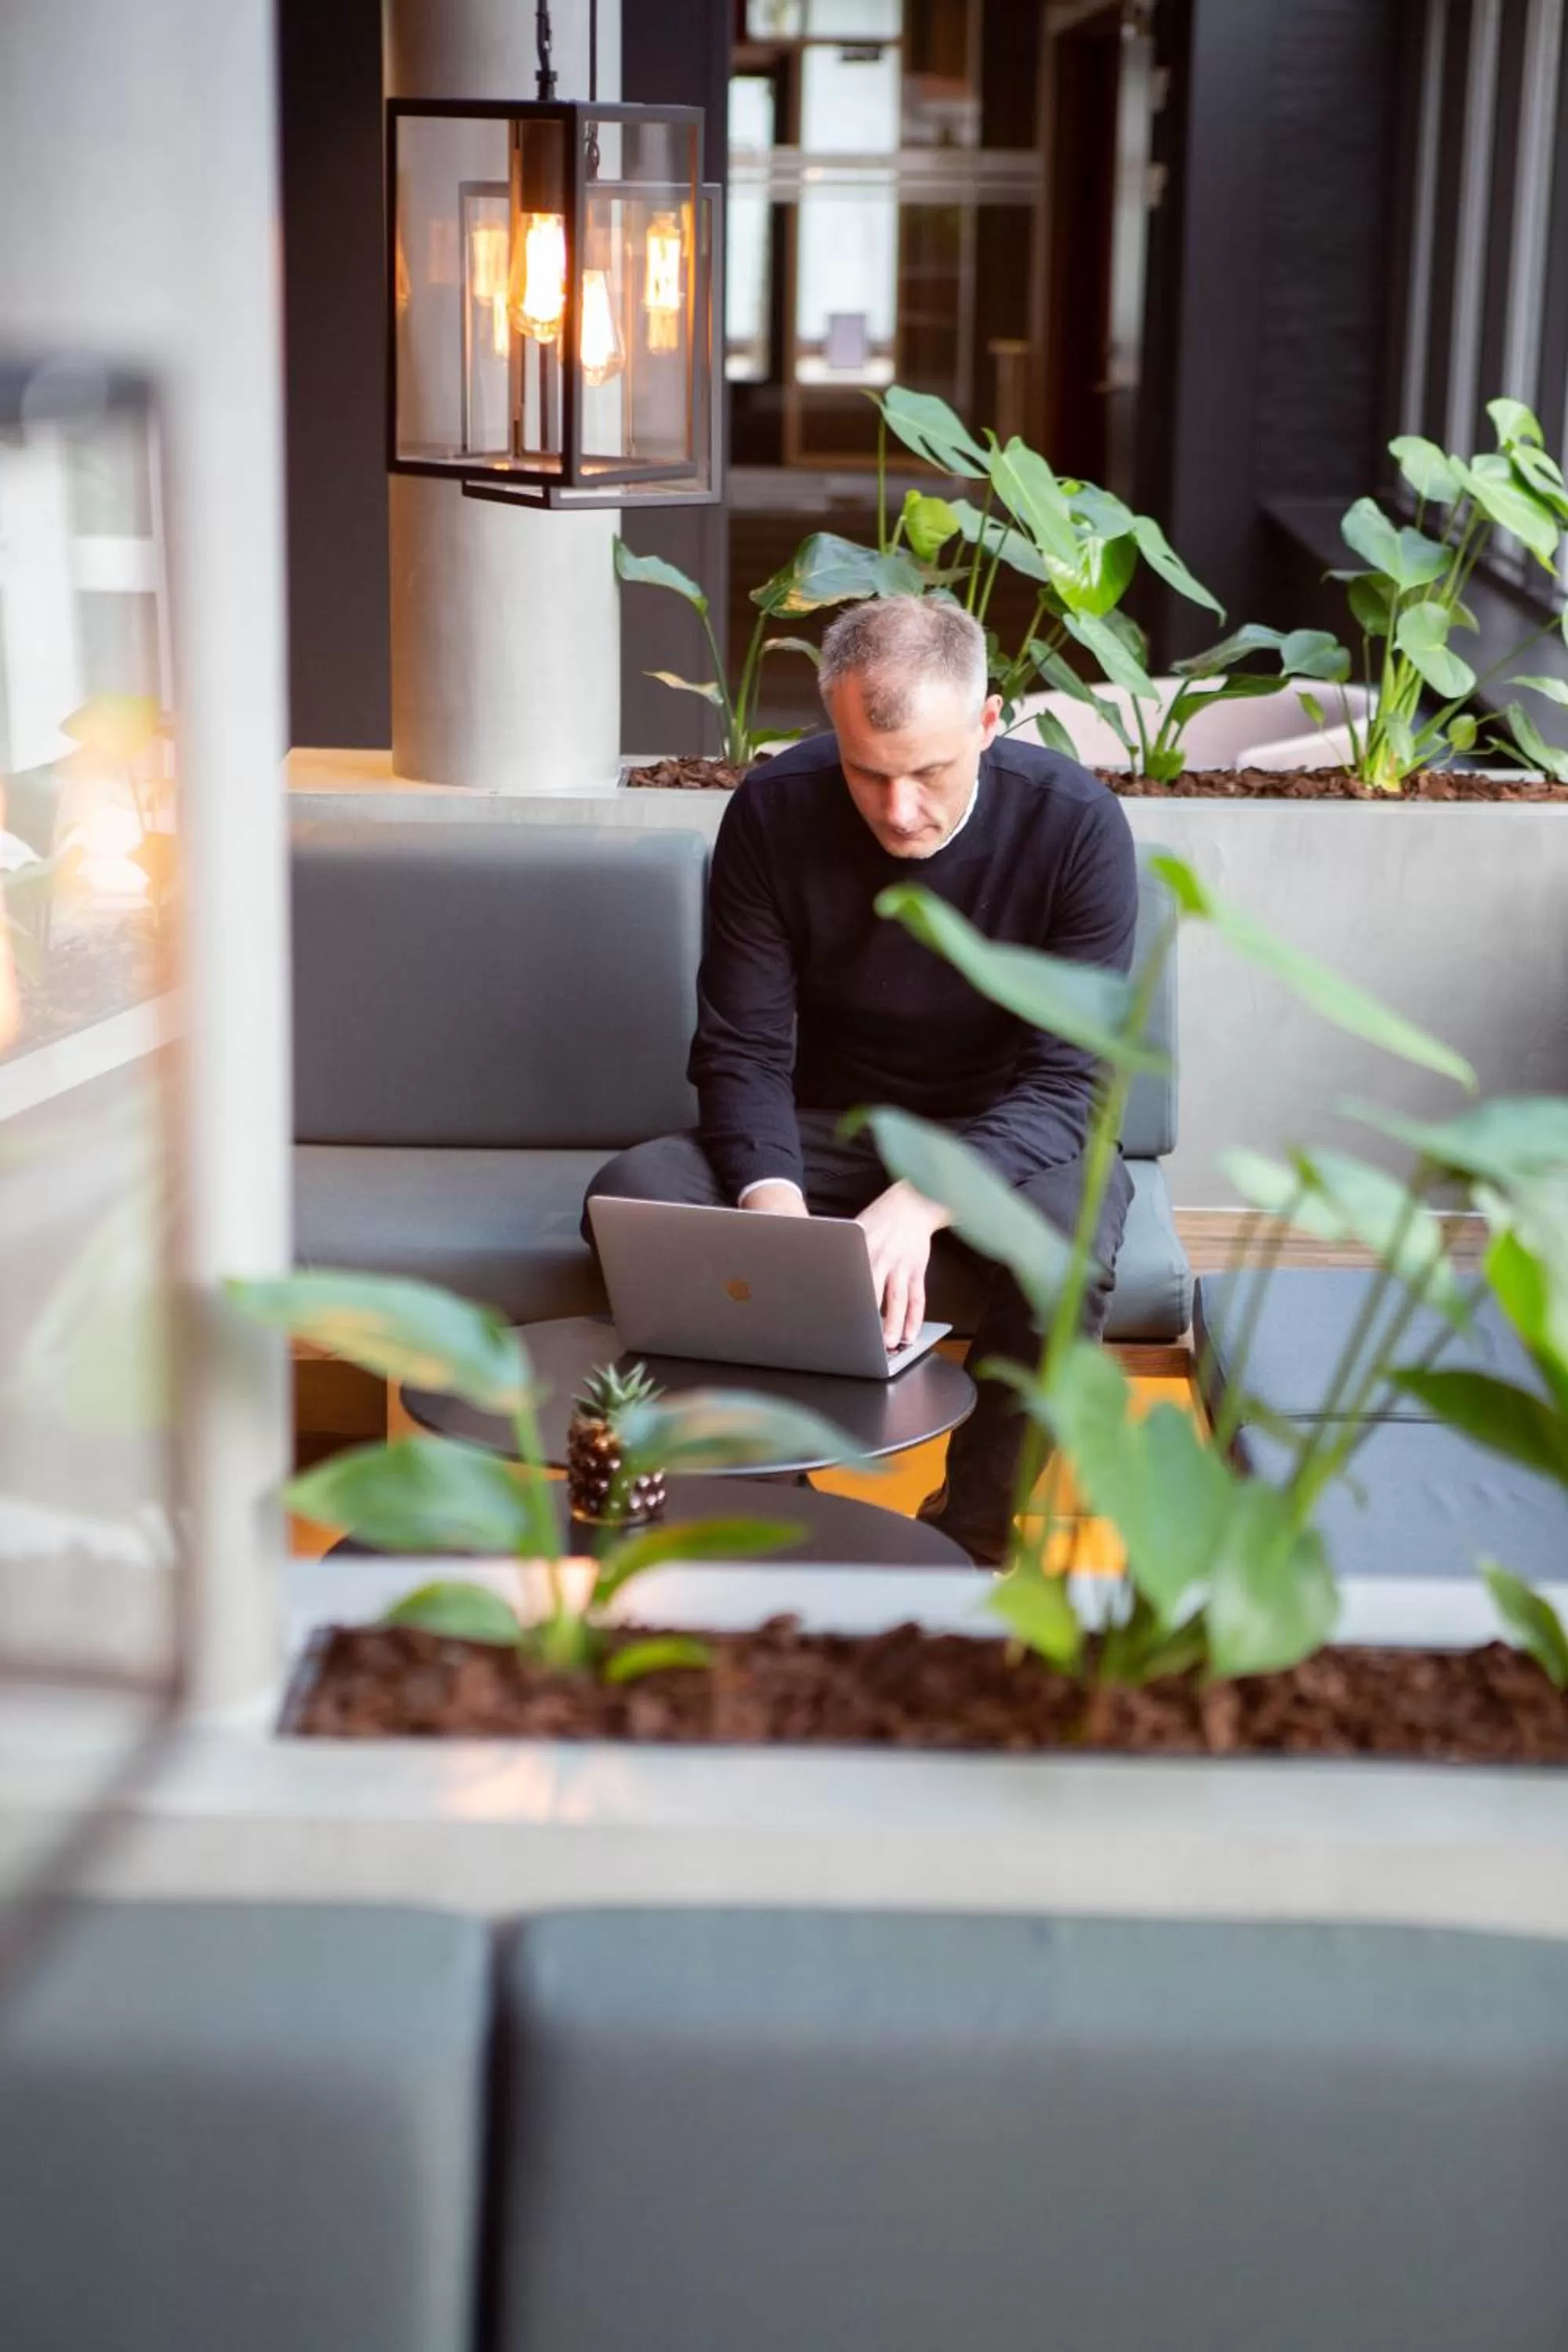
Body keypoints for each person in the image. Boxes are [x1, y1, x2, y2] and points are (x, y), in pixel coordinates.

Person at [584, 595, 1138, 1565]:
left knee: (1070, 1243)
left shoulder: (1076, 828)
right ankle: (789, 1508)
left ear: (986, 722)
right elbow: (741, 1049)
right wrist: (774, 1207)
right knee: (633, 1195)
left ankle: (973, 1536)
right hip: (828, 1129)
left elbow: (1070, 1085)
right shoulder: (773, 808)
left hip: (1003, 1133)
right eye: (865, 774)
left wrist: (919, 1204)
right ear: (829, 728)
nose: (897, 811)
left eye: (928, 772)